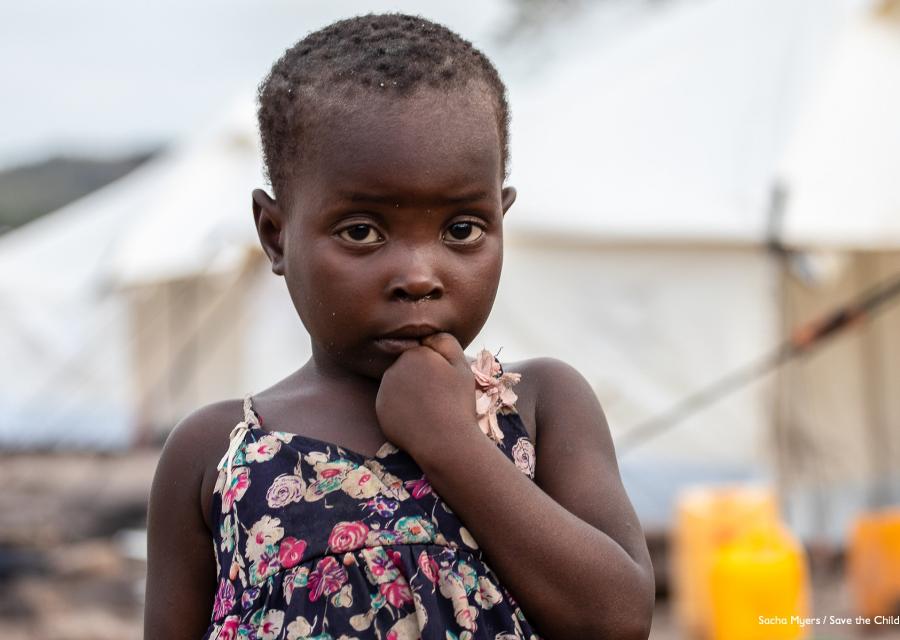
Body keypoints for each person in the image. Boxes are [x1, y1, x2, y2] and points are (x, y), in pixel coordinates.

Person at [144, 13, 654, 640]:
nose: (418, 275)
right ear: (276, 235)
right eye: (361, 231)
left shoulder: (542, 404)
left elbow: (618, 621)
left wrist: (451, 443)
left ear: (502, 219)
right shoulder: (218, 452)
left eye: (462, 230)